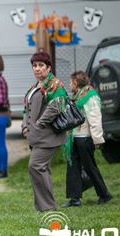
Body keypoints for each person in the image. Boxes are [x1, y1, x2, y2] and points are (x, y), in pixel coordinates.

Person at [22, 51, 68, 212]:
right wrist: (25, 126)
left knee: (35, 166)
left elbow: (58, 104)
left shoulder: (55, 84)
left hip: (49, 137)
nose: (37, 69)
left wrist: (39, 124)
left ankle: (47, 207)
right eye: (34, 65)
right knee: (42, 169)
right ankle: (44, 206)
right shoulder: (35, 86)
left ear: (48, 68)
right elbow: (26, 108)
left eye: (41, 65)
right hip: (37, 136)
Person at [62, 71, 112, 207]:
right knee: (72, 166)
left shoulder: (91, 96)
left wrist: (97, 139)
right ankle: (74, 198)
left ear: (76, 83)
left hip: (85, 138)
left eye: (71, 82)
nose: (69, 85)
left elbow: (95, 119)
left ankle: (104, 194)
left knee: (90, 167)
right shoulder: (78, 96)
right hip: (74, 138)